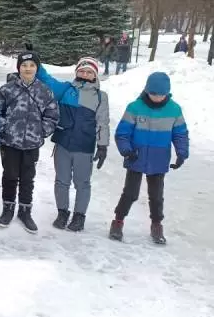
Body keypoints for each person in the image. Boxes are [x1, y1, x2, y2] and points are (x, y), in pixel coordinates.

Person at [109, 72, 189, 245]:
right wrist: (127, 150)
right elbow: (122, 133)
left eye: (161, 94)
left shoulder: (174, 110)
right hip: (136, 157)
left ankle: (156, 224)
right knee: (130, 193)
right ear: (147, 90)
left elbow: (180, 134)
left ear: (167, 93)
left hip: (159, 159)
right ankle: (118, 221)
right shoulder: (135, 107)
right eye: (153, 94)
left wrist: (182, 153)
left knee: (156, 196)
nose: (157, 97)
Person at [37, 57, 110, 233]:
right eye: (82, 71)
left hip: (84, 146)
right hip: (63, 143)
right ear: (77, 72)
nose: (85, 74)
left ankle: (79, 216)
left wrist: (102, 145)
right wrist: (36, 62)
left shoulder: (101, 97)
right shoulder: (66, 89)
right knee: (61, 181)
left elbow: (103, 123)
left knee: (82, 183)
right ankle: (62, 212)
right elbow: (47, 80)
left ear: (95, 75)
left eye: (89, 72)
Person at [0, 52, 59, 233]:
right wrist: (5, 127)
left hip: (32, 144)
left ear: (37, 68)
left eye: (31, 65)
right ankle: (7, 209)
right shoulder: (7, 90)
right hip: (10, 142)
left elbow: (52, 115)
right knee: (10, 176)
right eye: (24, 65)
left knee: (27, 178)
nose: (28, 69)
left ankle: (25, 211)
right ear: (18, 68)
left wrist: (40, 132)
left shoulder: (44, 91)